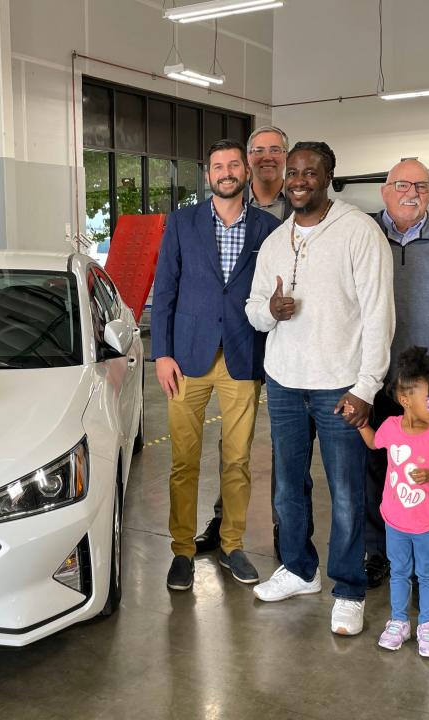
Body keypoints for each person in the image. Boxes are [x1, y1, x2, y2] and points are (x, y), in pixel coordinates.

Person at [246, 141, 395, 636]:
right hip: (285, 383)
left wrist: (367, 388)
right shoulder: (274, 241)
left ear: (329, 176)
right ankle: (297, 569)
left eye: (311, 171)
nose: (299, 179)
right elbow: (253, 310)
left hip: (340, 387)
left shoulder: (357, 231)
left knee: (348, 492)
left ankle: (349, 588)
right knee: (288, 486)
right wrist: (272, 311)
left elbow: (379, 315)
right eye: (293, 171)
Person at [152, 138, 281, 591]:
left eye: (233, 165)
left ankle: (232, 544)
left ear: (246, 171)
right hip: (186, 359)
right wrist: (162, 353)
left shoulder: (268, 228)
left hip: (242, 357)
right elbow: (164, 289)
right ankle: (183, 550)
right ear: (207, 175)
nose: (226, 173)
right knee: (184, 461)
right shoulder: (183, 223)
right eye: (217, 166)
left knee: (238, 459)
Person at [363, 159, 429, 622]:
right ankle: (378, 556)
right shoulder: (363, 232)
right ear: (385, 191)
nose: (412, 193)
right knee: (372, 475)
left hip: (425, 387)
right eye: (402, 185)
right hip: (372, 377)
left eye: (422, 186)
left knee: (426, 482)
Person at [195, 125, 296, 558]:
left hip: (290, 344)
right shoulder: (230, 201)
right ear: (246, 159)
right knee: (233, 446)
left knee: (284, 445)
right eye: (258, 150)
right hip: (239, 343)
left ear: (286, 157)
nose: (266, 157)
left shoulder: (302, 204)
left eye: (275, 150)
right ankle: (222, 523)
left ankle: (283, 528)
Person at [354, 347, 429, 658]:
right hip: (395, 521)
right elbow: (375, 442)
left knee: (427, 574)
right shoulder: (390, 428)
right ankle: (399, 621)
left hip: (428, 524)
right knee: (399, 571)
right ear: (405, 401)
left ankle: (427, 626)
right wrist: (361, 423)